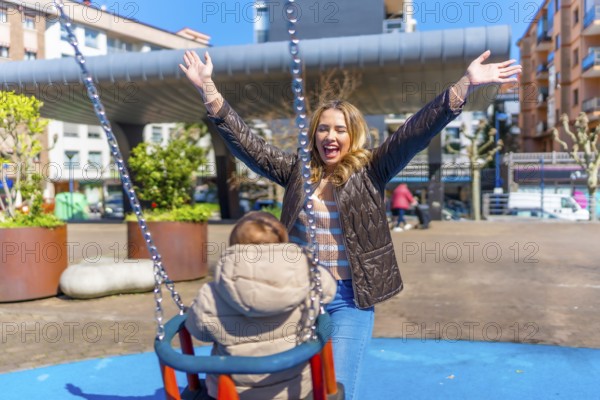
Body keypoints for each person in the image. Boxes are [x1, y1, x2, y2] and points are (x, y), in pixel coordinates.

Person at [180, 49, 521, 399]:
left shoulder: (373, 169)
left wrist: (465, 84)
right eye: (323, 128)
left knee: (334, 389)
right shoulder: (296, 172)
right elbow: (248, 146)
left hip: (349, 298)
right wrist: (208, 87)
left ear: (352, 134)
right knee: (285, 388)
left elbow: (415, 131)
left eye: (340, 129)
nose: (331, 136)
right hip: (296, 298)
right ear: (313, 135)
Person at [185, 211, 337, 400]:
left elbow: (201, 333)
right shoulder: (309, 274)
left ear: (235, 245)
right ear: (282, 242)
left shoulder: (212, 293)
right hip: (296, 389)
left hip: (232, 393)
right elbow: (330, 291)